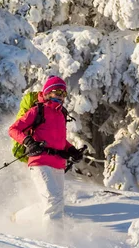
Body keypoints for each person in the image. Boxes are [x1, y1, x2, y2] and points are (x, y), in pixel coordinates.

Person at [8, 76, 84, 230]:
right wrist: (28, 142)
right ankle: (53, 241)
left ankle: (20, 219)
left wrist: (71, 150)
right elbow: (13, 129)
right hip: (40, 161)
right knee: (53, 199)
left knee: (56, 202)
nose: (61, 96)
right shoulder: (38, 110)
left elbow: (59, 140)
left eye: (63, 93)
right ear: (48, 92)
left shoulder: (61, 114)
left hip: (58, 164)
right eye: (57, 92)